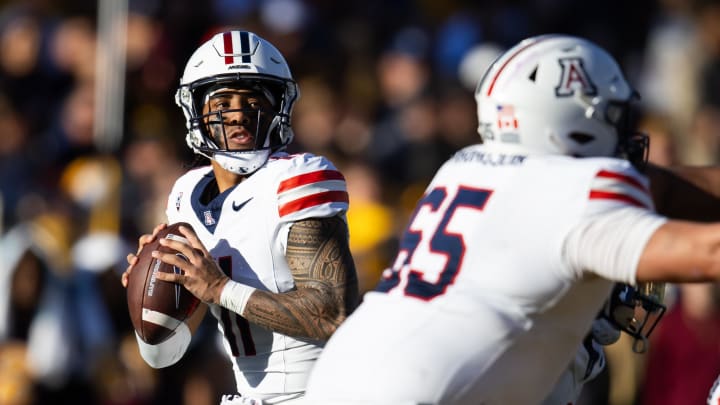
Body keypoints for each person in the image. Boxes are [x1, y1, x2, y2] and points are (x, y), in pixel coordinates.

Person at [303, 34, 720, 404]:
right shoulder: (572, 188)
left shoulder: (464, 166)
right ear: (575, 119)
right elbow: (708, 252)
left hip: (343, 371)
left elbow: (659, 186)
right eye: (613, 117)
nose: (623, 136)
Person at [120, 30, 359, 404]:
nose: (238, 115)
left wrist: (218, 288)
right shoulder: (185, 194)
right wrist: (158, 290)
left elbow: (332, 312)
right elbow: (164, 354)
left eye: (252, 101)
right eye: (223, 102)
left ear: (277, 107)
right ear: (196, 110)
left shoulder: (297, 179)